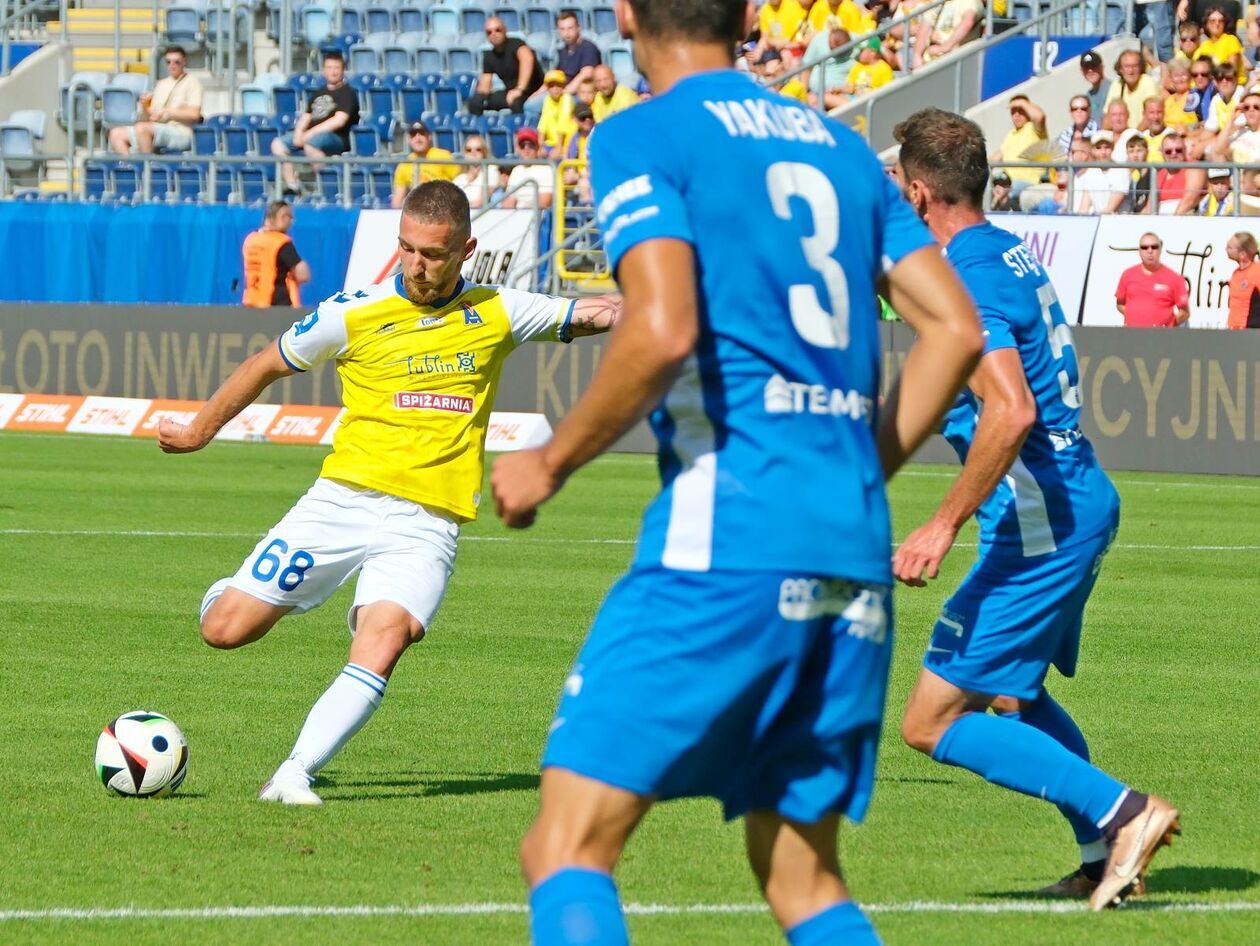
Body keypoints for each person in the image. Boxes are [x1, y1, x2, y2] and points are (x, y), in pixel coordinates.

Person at [490, 3, 985, 943]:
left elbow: (663, 327)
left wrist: (551, 460)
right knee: (803, 878)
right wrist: (857, 472)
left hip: (729, 536)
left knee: (566, 848)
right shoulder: (842, 150)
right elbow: (955, 330)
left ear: (627, 15)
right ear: (749, 15)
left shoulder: (645, 133)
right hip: (850, 547)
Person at [158, 181, 618, 806]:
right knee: (224, 629)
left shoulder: (499, 310)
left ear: (466, 249)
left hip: (427, 522)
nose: (416, 264)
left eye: (432, 253)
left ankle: (295, 772)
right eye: (407, 248)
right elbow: (265, 362)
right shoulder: (353, 311)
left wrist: (658, 301)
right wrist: (195, 432)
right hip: (341, 502)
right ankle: (236, 592)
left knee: (386, 635)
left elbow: (591, 314)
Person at [891, 107, 1181, 913]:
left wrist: (939, 522)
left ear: (918, 192)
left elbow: (1010, 410)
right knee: (1011, 696)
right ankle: (1099, 860)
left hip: (1042, 522)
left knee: (930, 721)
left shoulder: (969, 278)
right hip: (1072, 501)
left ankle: (1126, 813)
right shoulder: (1003, 250)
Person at [271, 51, 358, 196]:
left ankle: (324, 186)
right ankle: (293, 185)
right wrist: (299, 134)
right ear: (323, 70)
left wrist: (308, 134)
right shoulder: (319, 91)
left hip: (336, 137)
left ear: (343, 70)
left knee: (311, 144)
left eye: (336, 68)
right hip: (311, 134)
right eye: (329, 68)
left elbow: (339, 120)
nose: (333, 71)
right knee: (278, 144)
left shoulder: (347, 93)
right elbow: (306, 116)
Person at [107, 46, 203, 156]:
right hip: (156, 127)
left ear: (184, 62)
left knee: (142, 129)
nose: (172, 65)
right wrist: (145, 105)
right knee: (116, 134)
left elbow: (194, 114)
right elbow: (149, 117)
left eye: (177, 62)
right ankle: (131, 166)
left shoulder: (192, 82)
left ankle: (148, 168)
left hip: (181, 131)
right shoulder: (161, 84)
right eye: (168, 62)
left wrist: (168, 113)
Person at [466, 17, 543, 115]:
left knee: (516, 102)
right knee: (475, 102)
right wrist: (480, 97)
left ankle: (520, 129)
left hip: (532, 91)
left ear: (505, 30)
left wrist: (519, 89)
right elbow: (485, 82)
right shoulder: (489, 56)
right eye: (489, 32)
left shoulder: (517, 44)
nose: (494, 34)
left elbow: (527, 59)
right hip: (510, 92)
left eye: (498, 30)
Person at [241, 200, 310, 308]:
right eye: (288, 216)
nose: (290, 221)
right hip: (278, 303)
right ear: (278, 217)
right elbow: (303, 275)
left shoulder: (251, 240)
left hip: (253, 301)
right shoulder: (280, 242)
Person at [1115, 233, 1192, 326]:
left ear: (1160, 250)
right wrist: (1137, 317)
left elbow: (1185, 312)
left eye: (1154, 247)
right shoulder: (1127, 275)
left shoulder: (1175, 278)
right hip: (1132, 336)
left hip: (1161, 338)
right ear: (1139, 251)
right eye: (1144, 247)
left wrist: (1170, 324)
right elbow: (1120, 304)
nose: (1150, 251)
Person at [391, 121, 459, 209]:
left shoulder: (444, 156)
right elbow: (397, 200)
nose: (418, 138)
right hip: (418, 210)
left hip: (443, 207)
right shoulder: (404, 164)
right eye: (413, 134)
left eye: (422, 133)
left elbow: (460, 182)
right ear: (408, 139)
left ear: (429, 137)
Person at [993, 94, 1048, 201]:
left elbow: (1040, 116)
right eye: (1013, 111)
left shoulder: (1034, 128)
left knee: (1008, 191)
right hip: (1007, 182)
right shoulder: (1011, 134)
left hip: (1029, 184)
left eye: (1021, 110)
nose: (1017, 115)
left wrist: (1021, 102)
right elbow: (997, 156)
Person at [912, 0, 983, 68]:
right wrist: (917, 55)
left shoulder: (969, 2)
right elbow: (925, 28)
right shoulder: (937, 3)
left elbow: (967, 23)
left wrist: (944, 47)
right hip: (930, 59)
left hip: (956, 60)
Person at [801, 27, 854, 110]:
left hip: (842, 92)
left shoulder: (857, 40)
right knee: (812, 101)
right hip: (818, 93)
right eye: (832, 49)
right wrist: (804, 92)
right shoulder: (819, 40)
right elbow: (806, 68)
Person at [501, 127, 554, 209]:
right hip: (516, 215)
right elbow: (509, 201)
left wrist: (522, 207)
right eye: (522, 145)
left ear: (537, 147)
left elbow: (544, 202)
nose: (526, 148)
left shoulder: (547, 169)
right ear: (518, 149)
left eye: (531, 145)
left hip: (537, 217)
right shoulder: (516, 170)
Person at [1105, 49, 1160, 128]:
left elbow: (1150, 117)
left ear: (1140, 68)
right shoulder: (1117, 84)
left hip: (1141, 135)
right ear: (1120, 69)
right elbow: (1107, 116)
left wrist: (1134, 136)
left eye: (1134, 66)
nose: (1131, 71)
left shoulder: (1148, 82)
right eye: (1127, 66)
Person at [556, 9, 602, 94]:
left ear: (578, 28)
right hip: (563, 92)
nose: (566, 33)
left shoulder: (588, 48)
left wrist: (565, 92)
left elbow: (586, 74)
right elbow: (556, 75)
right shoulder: (563, 51)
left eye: (570, 28)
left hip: (582, 95)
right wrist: (538, 93)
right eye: (562, 29)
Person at [453, 134, 500, 209]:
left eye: (478, 149)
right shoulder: (459, 178)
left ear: (484, 153)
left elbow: (480, 202)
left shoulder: (491, 171)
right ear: (464, 154)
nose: (473, 153)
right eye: (469, 150)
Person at [538, 69, 577, 155]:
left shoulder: (567, 98)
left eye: (558, 85)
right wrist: (540, 146)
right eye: (551, 86)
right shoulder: (547, 100)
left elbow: (563, 122)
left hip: (567, 142)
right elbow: (543, 122)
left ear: (563, 86)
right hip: (551, 143)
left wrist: (558, 148)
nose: (555, 88)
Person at [1225, 231, 1260, 327]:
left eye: (1230, 248)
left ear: (1243, 254)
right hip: (1234, 329)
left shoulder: (1256, 271)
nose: (1226, 250)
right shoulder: (1236, 273)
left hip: (1251, 331)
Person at [1080, 51, 1109, 125]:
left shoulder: (1112, 88)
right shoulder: (1088, 95)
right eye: (1086, 68)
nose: (1090, 71)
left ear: (1101, 67)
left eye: (1093, 66)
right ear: (1082, 71)